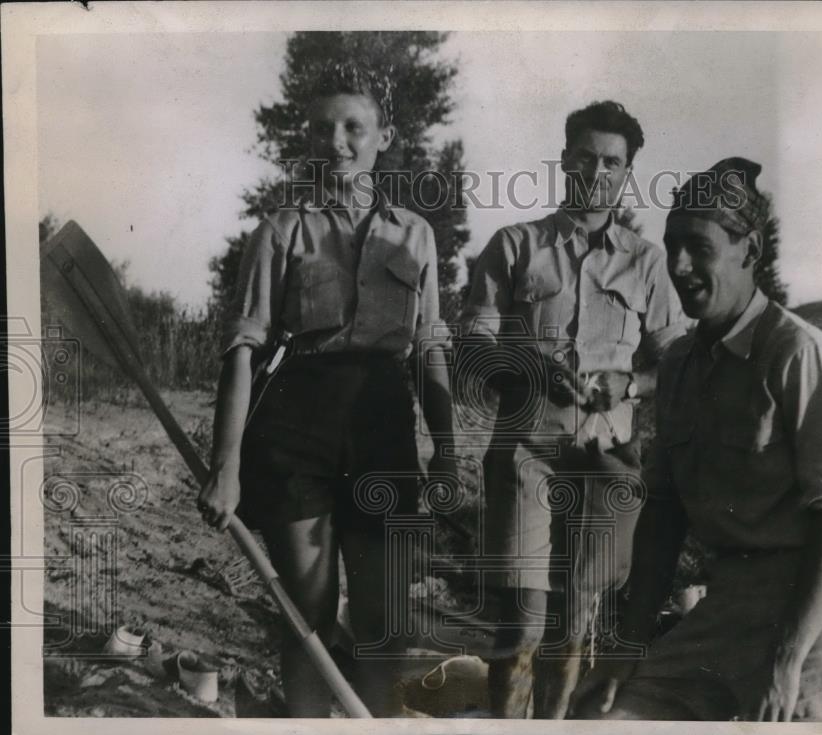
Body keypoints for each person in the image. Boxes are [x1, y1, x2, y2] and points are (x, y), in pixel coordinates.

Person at [571, 157, 822, 721]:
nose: (680, 265)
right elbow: (662, 517)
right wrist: (624, 652)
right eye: (671, 247)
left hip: (817, 614)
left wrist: (787, 662)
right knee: (610, 718)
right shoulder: (680, 367)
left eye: (698, 246)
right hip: (726, 607)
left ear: (751, 250)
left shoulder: (803, 357)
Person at [197, 64, 457, 717]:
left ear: (383, 136)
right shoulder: (279, 229)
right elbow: (243, 351)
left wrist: (447, 450)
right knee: (306, 617)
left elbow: (429, 351)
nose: (336, 142)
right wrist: (224, 466)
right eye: (321, 129)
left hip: (382, 426)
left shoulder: (415, 233)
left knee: (383, 623)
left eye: (353, 127)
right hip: (296, 426)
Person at [457, 100, 689, 719]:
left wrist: (630, 387)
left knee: (575, 626)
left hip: (608, 463)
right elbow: (473, 345)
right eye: (585, 157)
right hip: (526, 455)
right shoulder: (515, 246)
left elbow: (677, 359)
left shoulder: (648, 262)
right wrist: (533, 368)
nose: (597, 171)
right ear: (565, 161)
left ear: (627, 174)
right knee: (522, 628)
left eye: (612, 162)